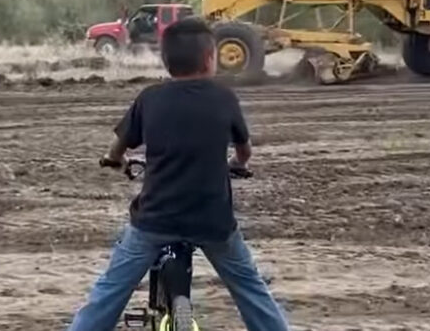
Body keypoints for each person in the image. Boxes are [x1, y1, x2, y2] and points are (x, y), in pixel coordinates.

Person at [67, 18, 289, 331]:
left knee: (108, 291)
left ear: (166, 60)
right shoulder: (224, 98)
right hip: (212, 222)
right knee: (251, 289)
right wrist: (239, 165)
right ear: (210, 58)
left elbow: (119, 145)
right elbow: (245, 150)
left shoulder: (150, 98)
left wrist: (112, 159)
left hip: (156, 220)